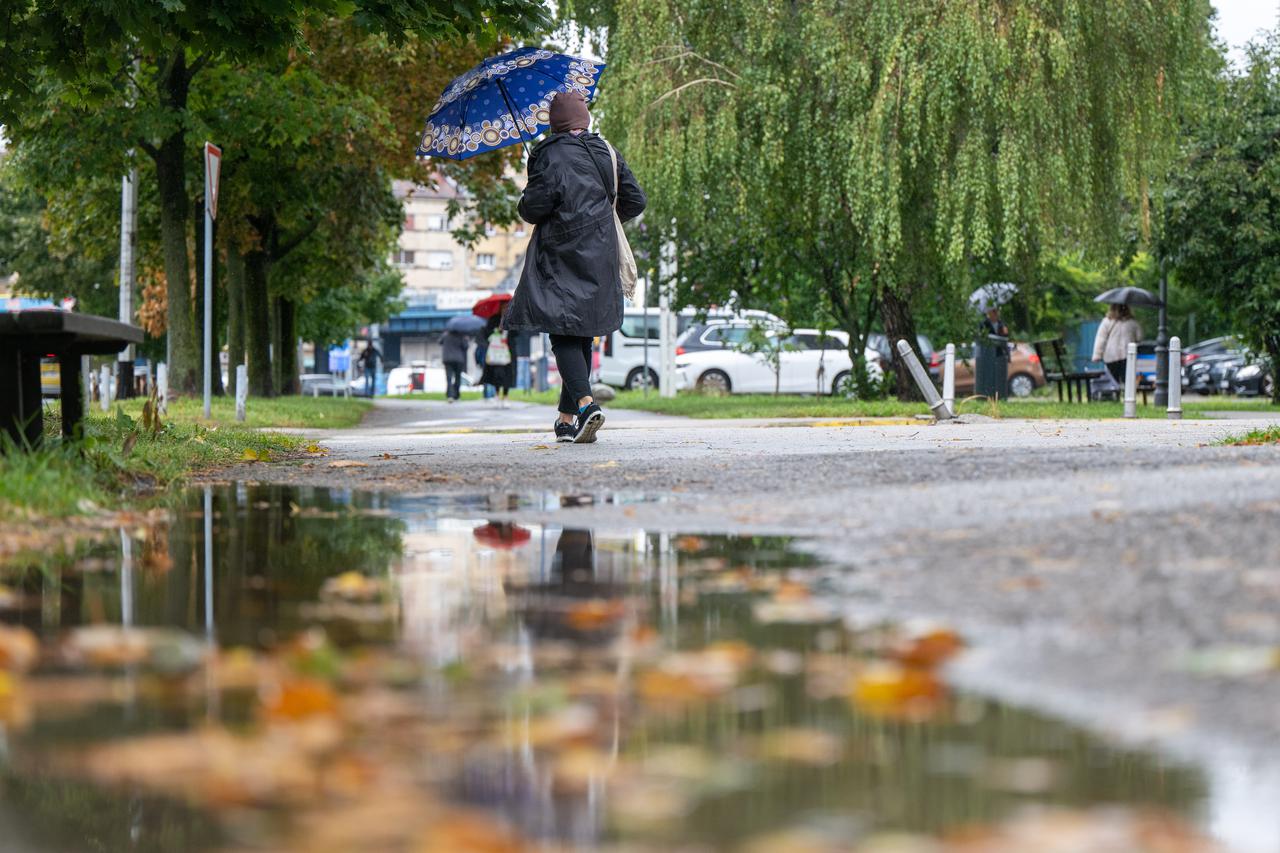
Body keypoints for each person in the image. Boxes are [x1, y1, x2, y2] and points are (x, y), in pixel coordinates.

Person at [504, 90, 647, 443]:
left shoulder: (549, 155)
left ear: (554, 123)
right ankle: (567, 421)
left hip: (560, 253)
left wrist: (526, 195)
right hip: (601, 252)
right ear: (584, 119)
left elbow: (533, 210)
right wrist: (600, 221)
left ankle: (586, 404)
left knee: (562, 328)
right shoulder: (607, 152)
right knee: (581, 330)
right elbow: (635, 200)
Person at [1092, 303, 1143, 384]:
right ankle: (1126, 394)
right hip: (1127, 355)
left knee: (1113, 380)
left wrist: (1097, 355)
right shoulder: (1133, 322)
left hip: (1110, 356)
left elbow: (1101, 339)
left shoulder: (1107, 322)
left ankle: (1115, 393)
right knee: (1127, 379)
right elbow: (1139, 337)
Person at [480, 308, 516, 407]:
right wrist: (497, 330)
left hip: (508, 352)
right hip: (495, 352)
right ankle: (496, 395)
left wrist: (508, 328)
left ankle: (505, 396)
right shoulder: (493, 319)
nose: (504, 309)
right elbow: (486, 333)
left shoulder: (513, 318)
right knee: (496, 374)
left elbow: (517, 333)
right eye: (503, 306)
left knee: (508, 374)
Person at [440, 328, 468, 402]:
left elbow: (440, 342)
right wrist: (465, 339)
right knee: (457, 378)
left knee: (449, 378)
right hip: (458, 359)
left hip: (447, 359)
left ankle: (450, 395)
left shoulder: (445, 335)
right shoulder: (461, 336)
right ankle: (456, 395)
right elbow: (466, 347)